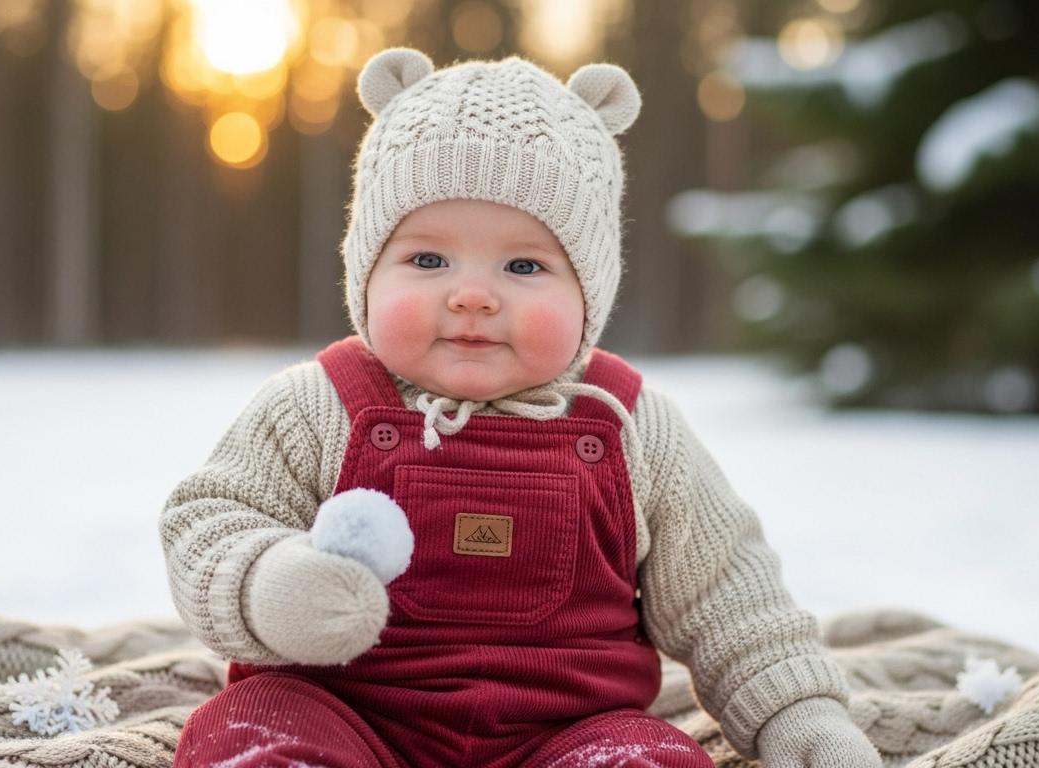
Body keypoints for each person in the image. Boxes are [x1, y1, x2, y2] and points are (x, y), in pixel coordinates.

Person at [162, 47, 882, 768]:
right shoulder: (316, 405)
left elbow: (729, 595)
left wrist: (801, 718)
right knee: (248, 724)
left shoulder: (632, 425)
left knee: (645, 754)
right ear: (367, 272)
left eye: (525, 266)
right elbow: (212, 522)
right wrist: (272, 585)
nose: (473, 294)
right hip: (345, 715)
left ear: (589, 294)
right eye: (428, 260)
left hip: (569, 734)